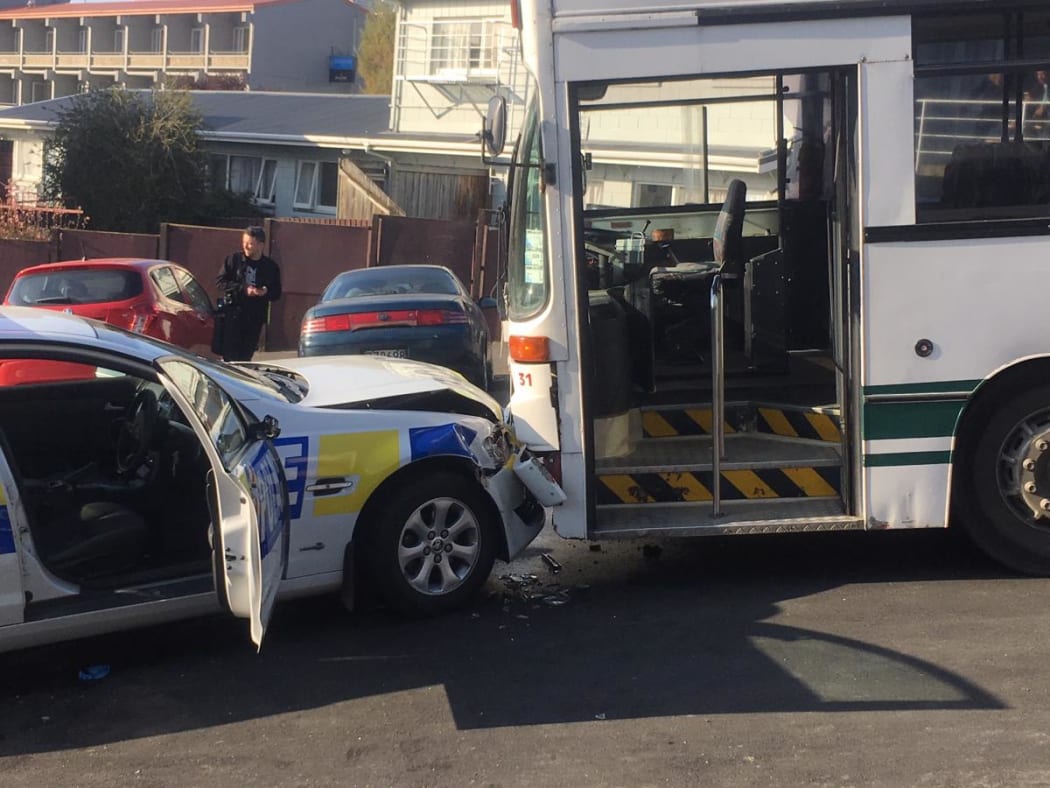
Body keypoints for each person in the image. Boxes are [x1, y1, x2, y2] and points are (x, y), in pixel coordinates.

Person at [215, 225, 282, 362]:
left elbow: (277, 292)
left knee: (245, 357)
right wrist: (243, 289)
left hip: (254, 318)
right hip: (233, 315)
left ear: (261, 245)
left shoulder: (270, 267)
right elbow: (220, 282)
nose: (246, 246)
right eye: (244, 242)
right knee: (230, 356)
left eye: (250, 244)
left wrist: (265, 292)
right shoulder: (233, 260)